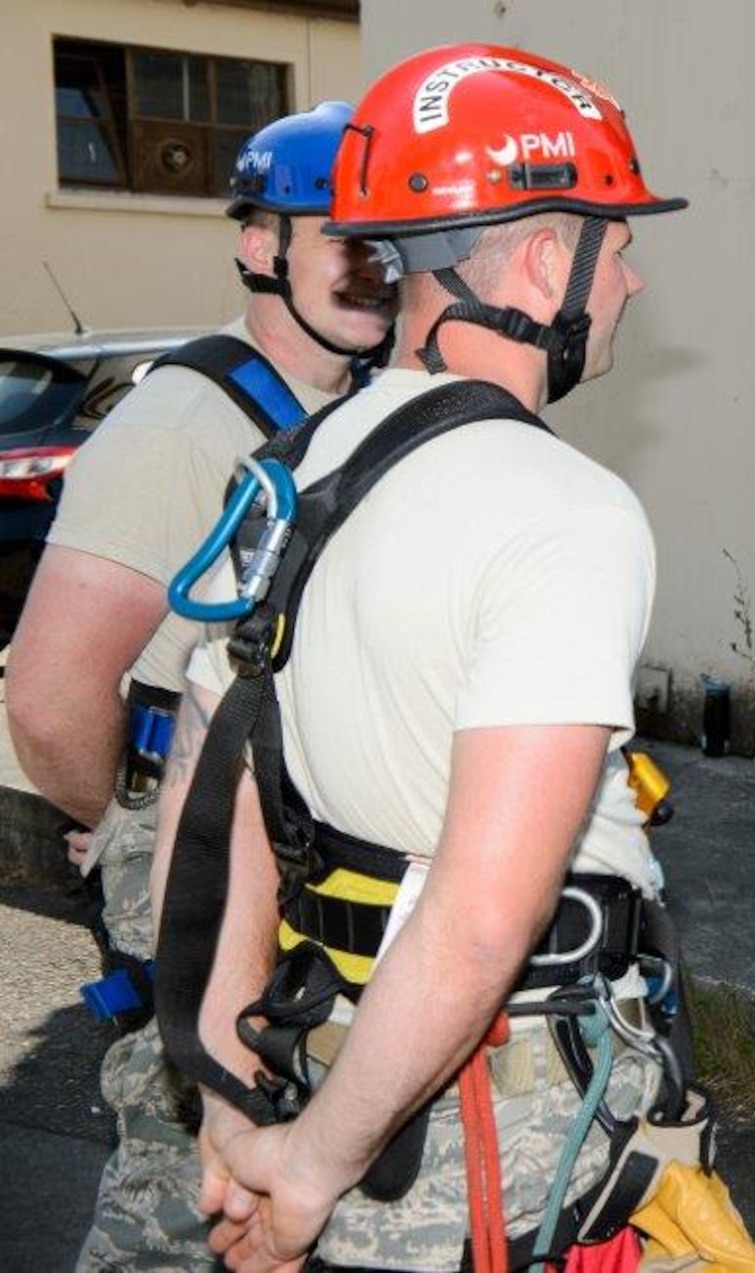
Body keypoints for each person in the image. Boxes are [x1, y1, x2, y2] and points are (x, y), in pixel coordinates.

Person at [147, 43, 688, 1270]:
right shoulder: (562, 506)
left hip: (315, 1047)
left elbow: (213, 803)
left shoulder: (293, 464)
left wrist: (240, 1108)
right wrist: (316, 1165)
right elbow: (487, 912)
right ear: (548, 259)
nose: (635, 281)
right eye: (616, 241)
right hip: (482, 1116)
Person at [7, 100, 395, 1270]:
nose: (368, 267)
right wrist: (119, 819)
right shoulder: (182, 419)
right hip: (201, 845)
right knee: (185, 1187)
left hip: (314, 842)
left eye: (387, 240)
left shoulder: (374, 411)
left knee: (303, 1172)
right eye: (338, 236)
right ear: (258, 246)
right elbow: (49, 687)